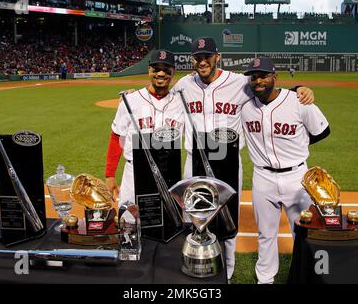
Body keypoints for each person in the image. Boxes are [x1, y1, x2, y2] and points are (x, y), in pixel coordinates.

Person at [172, 37, 315, 280]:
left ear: (218, 57)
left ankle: (227, 271)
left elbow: (269, 91)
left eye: (207, 56)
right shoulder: (183, 85)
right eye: (198, 57)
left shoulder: (239, 83)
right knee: (194, 218)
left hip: (227, 160)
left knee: (227, 218)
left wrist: (299, 89)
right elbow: (162, 98)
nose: (203, 61)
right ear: (192, 60)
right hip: (194, 159)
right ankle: (196, 265)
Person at [241, 57, 330, 284]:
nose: (258, 80)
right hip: (262, 177)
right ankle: (265, 279)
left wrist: (298, 145)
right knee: (266, 234)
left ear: (275, 77)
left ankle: (307, 277)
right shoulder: (246, 106)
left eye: (263, 75)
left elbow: (322, 131)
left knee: (303, 233)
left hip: (297, 177)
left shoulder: (298, 101)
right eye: (254, 76)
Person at [105, 49, 184, 205]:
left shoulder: (181, 102)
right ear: (149, 70)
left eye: (166, 69)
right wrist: (110, 175)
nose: (160, 73)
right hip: (134, 173)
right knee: (129, 224)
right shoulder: (130, 101)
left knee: (167, 224)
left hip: (168, 174)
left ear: (173, 71)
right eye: (156, 68)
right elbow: (116, 136)